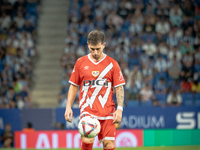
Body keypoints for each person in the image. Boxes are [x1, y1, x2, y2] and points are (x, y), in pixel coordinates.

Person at [64, 30, 125, 150]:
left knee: (109, 145)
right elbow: (74, 85)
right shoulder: (80, 63)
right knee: (87, 139)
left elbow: (119, 87)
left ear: (104, 45)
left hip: (108, 112)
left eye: (98, 49)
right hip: (88, 110)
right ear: (88, 45)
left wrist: (120, 109)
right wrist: (68, 106)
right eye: (92, 49)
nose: (95, 52)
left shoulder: (112, 64)